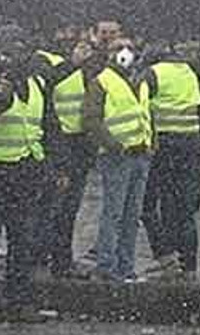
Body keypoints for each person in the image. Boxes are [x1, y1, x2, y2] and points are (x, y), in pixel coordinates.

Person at [0, 24, 53, 322]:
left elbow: (48, 127)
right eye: (7, 49)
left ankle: (20, 303)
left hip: (24, 171)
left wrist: (52, 167)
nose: (12, 56)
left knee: (23, 240)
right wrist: (3, 94)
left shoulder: (36, 83)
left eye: (19, 49)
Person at [139, 37, 200, 282]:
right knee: (184, 209)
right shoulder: (191, 71)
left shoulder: (152, 73)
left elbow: (140, 107)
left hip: (164, 146)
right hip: (190, 145)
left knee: (150, 204)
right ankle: (188, 266)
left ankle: (166, 257)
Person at [83, 35, 152, 283]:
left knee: (132, 216)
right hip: (117, 157)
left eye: (130, 47)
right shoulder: (101, 81)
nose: (125, 52)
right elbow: (91, 120)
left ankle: (125, 267)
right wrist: (113, 146)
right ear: (108, 53)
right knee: (114, 213)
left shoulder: (141, 82)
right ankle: (106, 266)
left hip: (141, 156)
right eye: (118, 48)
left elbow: (144, 115)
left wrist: (150, 145)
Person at [38, 31, 96, 279]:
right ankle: (51, 260)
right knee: (55, 207)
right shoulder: (46, 62)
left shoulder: (87, 69)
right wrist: (72, 64)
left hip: (79, 146)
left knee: (69, 208)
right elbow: (47, 88)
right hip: (59, 145)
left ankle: (59, 260)